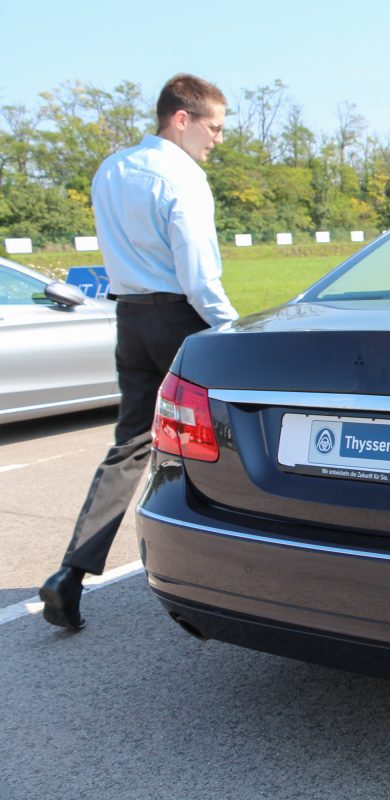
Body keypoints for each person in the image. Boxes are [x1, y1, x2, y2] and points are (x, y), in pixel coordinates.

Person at [38, 73, 238, 631]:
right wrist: (231, 329)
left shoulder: (111, 169)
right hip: (180, 317)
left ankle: (70, 573)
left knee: (130, 445)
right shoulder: (184, 176)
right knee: (224, 439)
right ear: (182, 118)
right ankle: (229, 567)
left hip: (130, 317)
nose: (218, 139)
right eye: (214, 127)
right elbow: (198, 274)